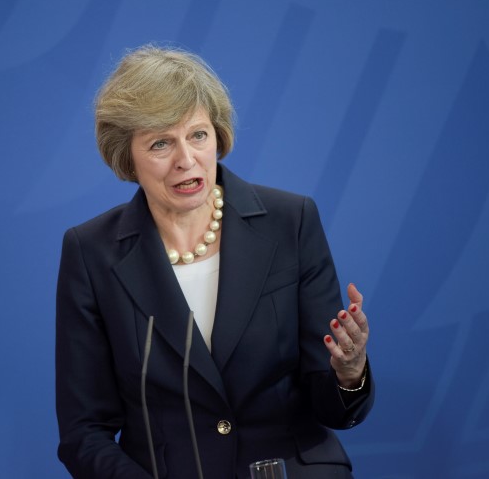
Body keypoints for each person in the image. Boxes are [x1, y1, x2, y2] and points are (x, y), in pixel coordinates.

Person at [55, 45, 373, 478]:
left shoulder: (290, 222)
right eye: (161, 143)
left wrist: (349, 373)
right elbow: (83, 432)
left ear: (217, 136)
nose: (186, 160)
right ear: (127, 156)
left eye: (198, 135)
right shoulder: (91, 252)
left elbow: (333, 408)